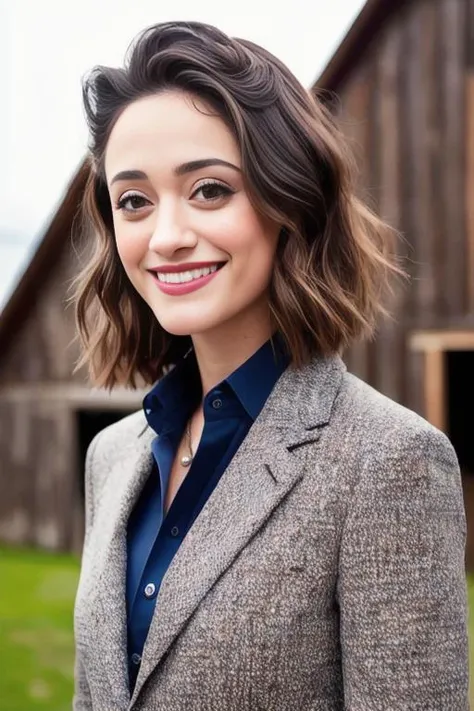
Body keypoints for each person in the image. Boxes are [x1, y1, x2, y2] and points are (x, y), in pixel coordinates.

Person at [72, 20, 469, 711]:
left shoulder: (389, 461)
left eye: (210, 190)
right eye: (134, 200)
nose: (166, 237)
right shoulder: (112, 457)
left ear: (290, 201)